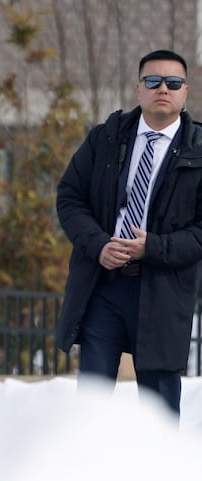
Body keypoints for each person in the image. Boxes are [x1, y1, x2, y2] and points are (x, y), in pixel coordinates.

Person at [56, 49, 202, 417]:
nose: (162, 89)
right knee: (91, 401)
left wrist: (153, 247)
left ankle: (159, 475)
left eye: (173, 82)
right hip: (104, 286)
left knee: (159, 410)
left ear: (186, 91)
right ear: (139, 89)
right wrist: (99, 244)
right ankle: (85, 471)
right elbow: (70, 198)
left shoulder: (199, 149)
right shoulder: (106, 138)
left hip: (163, 291)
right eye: (152, 81)